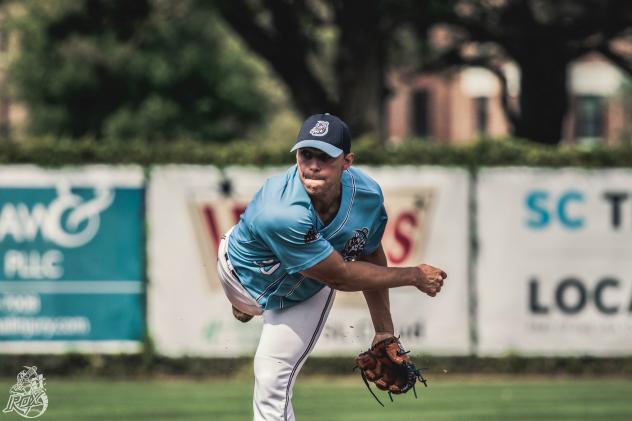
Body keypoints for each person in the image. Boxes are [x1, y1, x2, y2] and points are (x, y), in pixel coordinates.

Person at [216, 113, 447, 421]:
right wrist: (414, 275)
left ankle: (254, 309)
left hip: (303, 291)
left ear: (347, 161)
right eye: (306, 154)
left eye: (324, 157)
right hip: (239, 277)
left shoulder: (366, 195)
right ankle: (246, 307)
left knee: (272, 376)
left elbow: (368, 250)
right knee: (254, 302)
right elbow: (340, 276)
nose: (313, 165)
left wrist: (384, 331)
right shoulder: (281, 210)